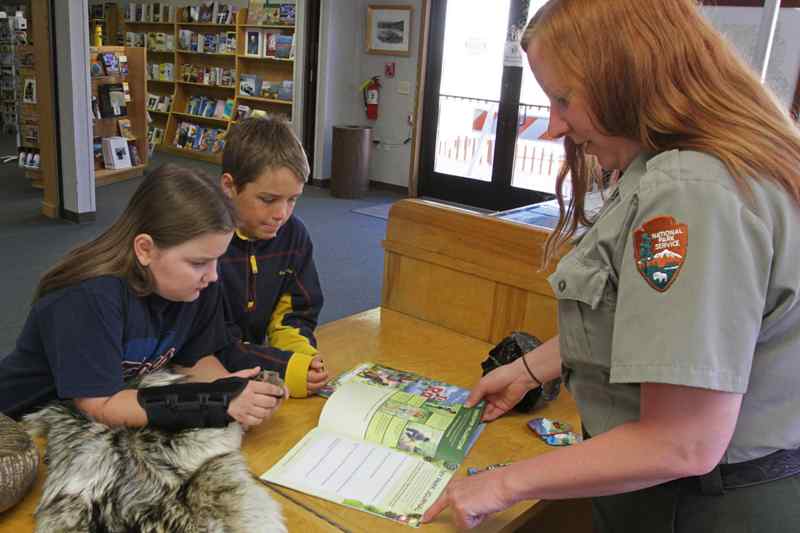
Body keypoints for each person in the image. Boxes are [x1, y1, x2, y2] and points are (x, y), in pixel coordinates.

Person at [422, 0, 800, 531]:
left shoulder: (692, 192)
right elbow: (643, 317)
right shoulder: (693, 163)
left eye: (562, 99)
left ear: (625, 77)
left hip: (701, 505)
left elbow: (682, 442)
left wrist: (502, 482)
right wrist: (530, 368)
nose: (553, 127)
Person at [0, 165, 286, 430]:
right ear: (145, 249)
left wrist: (233, 390)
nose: (213, 276)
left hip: (80, 425)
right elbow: (101, 406)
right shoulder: (87, 299)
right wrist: (215, 402)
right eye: (198, 263)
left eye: (217, 260)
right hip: (19, 425)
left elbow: (193, 361)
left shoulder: (197, 287)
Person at [218, 116, 328, 399]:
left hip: (254, 363)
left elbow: (296, 313)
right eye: (268, 200)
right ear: (230, 187)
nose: (282, 213)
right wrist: (284, 367)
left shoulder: (293, 234)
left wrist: (302, 358)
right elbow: (213, 343)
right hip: (204, 370)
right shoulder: (206, 244)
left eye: (292, 199)